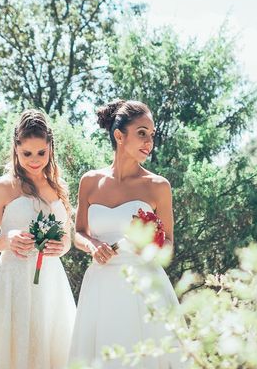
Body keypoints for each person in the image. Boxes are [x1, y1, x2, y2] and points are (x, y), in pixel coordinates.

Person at [69, 99, 182, 368]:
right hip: (100, 284)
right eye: (141, 133)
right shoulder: (90, 181)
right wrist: (93, 245)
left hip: (142, 286)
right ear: (119, 136)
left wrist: (149, 247)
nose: (149, 142)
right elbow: (78, 233)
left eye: (151, 135)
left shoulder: (158, 186)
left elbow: (167, 244)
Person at [0, 110, 76, 369]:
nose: (35, 160)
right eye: (27, 154)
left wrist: (62, 246)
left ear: (50, 149)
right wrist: (6, 239)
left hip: (51, 284)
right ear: (16, 148)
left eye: (41, 153)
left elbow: (67, 239)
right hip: (12, 284)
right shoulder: (1, 188)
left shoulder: (59, 187)